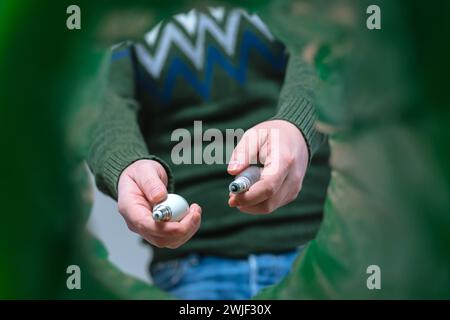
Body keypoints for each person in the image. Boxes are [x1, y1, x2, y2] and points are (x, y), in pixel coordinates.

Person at [87, 7, 330, 300]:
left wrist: (298, 124)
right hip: (191, 266)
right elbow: (98, 95)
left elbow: (330, 52)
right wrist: (124, 165)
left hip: (311, 250)